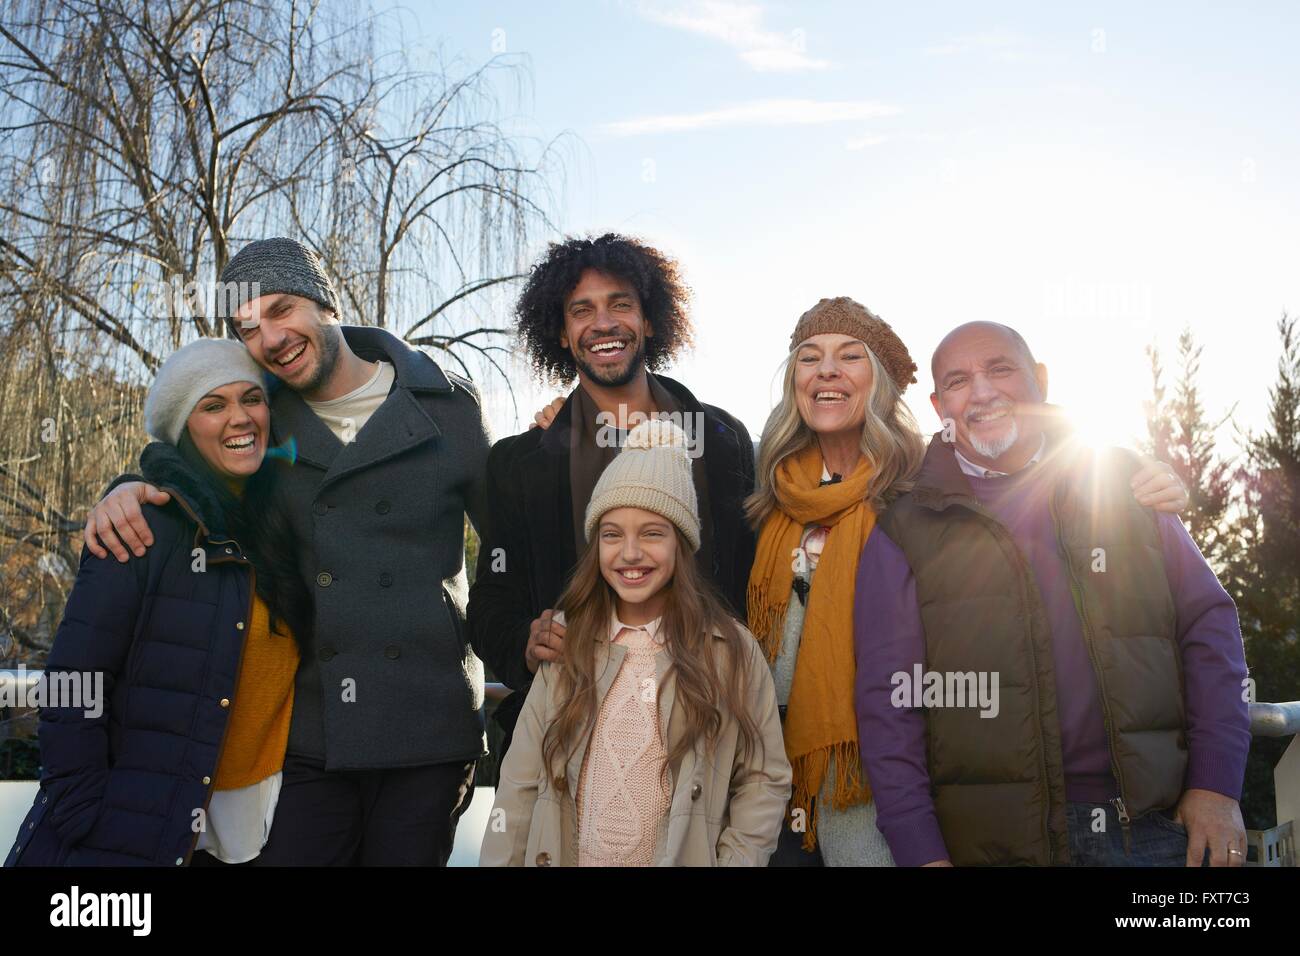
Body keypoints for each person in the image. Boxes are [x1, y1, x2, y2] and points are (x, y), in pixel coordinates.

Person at [78, 238, 490, 865]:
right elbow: (195, 475)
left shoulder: (447, 407)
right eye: (248, 327)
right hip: (316, 731)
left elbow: (511, 541)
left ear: (324, 303)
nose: (268, 338)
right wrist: (127, 489)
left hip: (429, 728)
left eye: (281, 309)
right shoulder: (266, 422)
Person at [854, 320, 1251, 866]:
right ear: (939, 403)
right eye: (959, 380)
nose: (984, 391)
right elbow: (891, 702)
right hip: (992, 848)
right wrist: (920, 851)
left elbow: (1208, 629)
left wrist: (1216, 785)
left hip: (1154, 833)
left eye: (1001, 369)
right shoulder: (904, 530)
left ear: (1039, 378)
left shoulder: (1125, 486)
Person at [6, 339, 309, 866]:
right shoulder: (141, 527)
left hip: (254, 830)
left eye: (251, 399)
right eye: (213, 406)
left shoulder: (284, 527)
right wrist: (84, 813)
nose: (240, 418)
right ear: (183, 426)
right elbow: (74, 681)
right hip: (134, 834)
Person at [469, 233, 756, 758]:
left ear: (649, 320)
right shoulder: (517, 464)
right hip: (570, 738)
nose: (603, 323)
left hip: (709, 733)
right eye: (582, 310)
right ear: (561, 332)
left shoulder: (723, 441)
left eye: (620, 304)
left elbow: (751, 585)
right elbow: (491, 601)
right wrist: (524, 646)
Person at [479, 420, 790, 866]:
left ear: (681, 545)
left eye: (651, 533)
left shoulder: (729, 648)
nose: (629, 553)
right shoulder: (570, 641)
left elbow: (764, 778)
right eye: (612, 534)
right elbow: (520, 779)